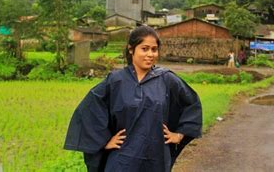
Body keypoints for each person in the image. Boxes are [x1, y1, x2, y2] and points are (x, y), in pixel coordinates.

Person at [64, 25, 202, 172]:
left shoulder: (167, 79)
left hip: (155, 159)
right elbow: (89, 110)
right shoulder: (116, 81)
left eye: (154, 49)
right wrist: (104, 142)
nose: (150, 54)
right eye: (145, 48)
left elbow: (191, 103)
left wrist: (179, 135)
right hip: (122, 160)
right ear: (131, 49)